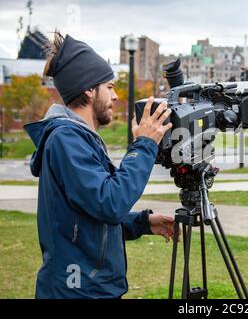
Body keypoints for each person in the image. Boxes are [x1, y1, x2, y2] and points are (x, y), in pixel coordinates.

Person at [24, 32, 175, 299]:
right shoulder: (65, 139)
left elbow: (87, 215)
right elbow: (109, 203)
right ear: (88, 89)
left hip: (89, 288)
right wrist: (145, 145)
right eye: (109, 86)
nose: (116, 96)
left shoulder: (77, 138)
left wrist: (142, 223)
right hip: (77, 291)